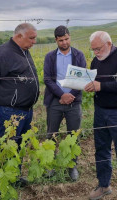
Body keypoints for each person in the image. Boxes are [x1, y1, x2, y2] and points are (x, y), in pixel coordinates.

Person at [85, 31, 117, 200]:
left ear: (108, 44)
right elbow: (96, 83)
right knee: (101, 150)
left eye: (98, 49)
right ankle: (104, 186)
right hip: (100, 111)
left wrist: (101, 86)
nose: (96, 53)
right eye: (93, 50)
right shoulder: (95, 61)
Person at [0, 22, 39, 146]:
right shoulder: (2, 53)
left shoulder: (24, 50)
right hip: (11, 111)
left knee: (20, 147)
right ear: (19, 36)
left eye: (35, 38)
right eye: (31, 38)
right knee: (9, 149)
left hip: (27, 110)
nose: (34, 42)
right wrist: (0, 95)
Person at [43, 25, 86, 181]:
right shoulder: (50, 57)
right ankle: (50, 165)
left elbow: (82, 79)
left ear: (70, 37)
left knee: (73, 134)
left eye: (66, 39)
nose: (64, 43)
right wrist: (62, 95)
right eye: (61, 40)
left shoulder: (79, 55)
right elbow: (47, 79)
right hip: (55, 100)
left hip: (74, 101)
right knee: (51, 134)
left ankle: (72, 165)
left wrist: (69, 95)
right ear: (56, 40)